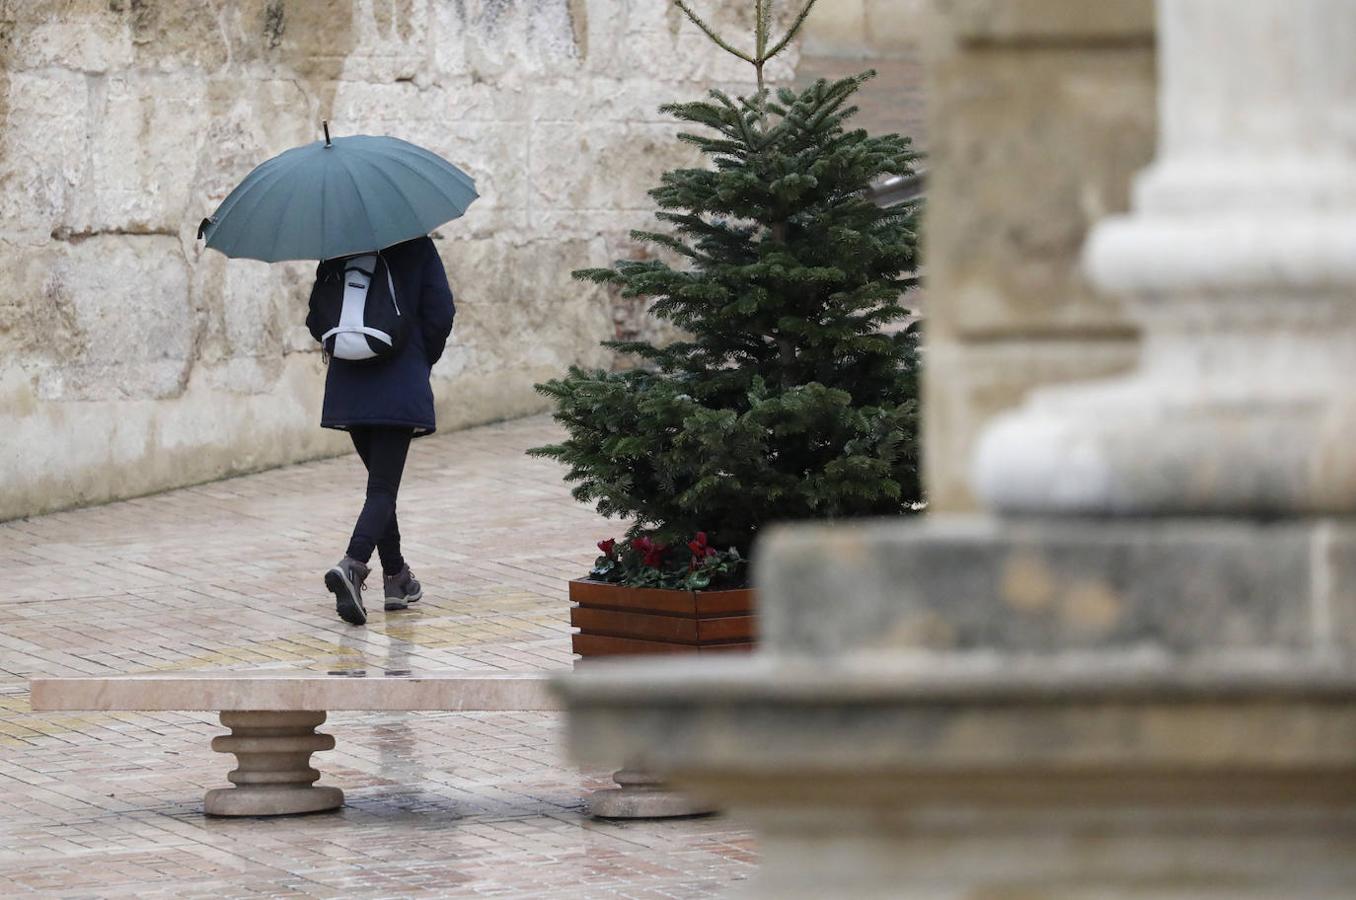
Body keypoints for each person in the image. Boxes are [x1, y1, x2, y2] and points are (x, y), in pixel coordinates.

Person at [305, 235, 455, 626]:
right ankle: (353, 565)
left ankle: (397, 578)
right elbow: (441, 312)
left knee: (380, 485)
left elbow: (315, 319)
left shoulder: (338, 246)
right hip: (399, 384)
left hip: (348, 388)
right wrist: (419, 357)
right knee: (383, 489)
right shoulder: (415, 245)